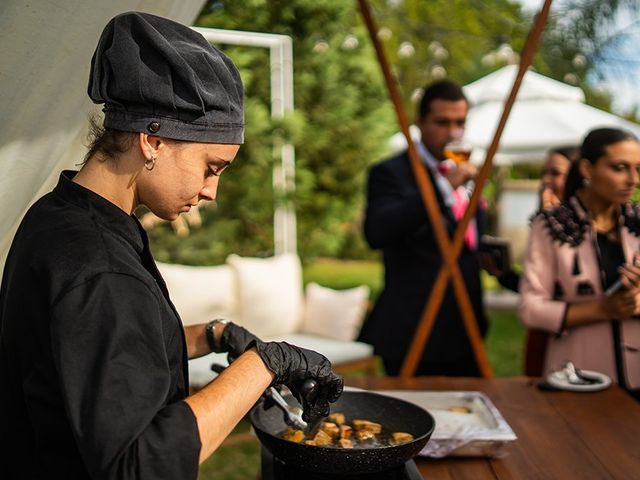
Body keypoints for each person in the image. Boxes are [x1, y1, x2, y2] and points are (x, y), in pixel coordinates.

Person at [0, 12, 342, 479]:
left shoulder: (58, 216)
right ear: (152, 140)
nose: (211, 192)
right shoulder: (100, 267)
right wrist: (265, 363)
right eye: (211, 167)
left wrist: (213, 335)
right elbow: (139, 462)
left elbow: (95, 356)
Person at [358, 79, 488, 376]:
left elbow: (466, 240)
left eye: (460, 123)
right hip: (414, 327)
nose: (454, 133)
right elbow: (377, 232)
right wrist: (443, 187)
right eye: (442, 122)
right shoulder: (391, 173)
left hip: (466, 327)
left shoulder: (469, 174)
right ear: (420, 122)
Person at [520, 127, 640, 400]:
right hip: (577, 377)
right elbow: (531, 310)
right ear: (587, 169)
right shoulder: (552, 225)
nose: (633, 179)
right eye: (620, 168)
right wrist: (603, 308)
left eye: (637, 168)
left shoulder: (637, 223)